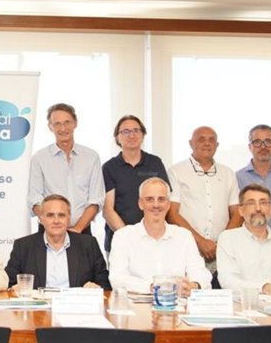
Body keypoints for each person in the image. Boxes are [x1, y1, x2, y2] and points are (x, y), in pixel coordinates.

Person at [109, 178, 209, 294]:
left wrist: (194, 285)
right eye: (149, 199)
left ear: (168, 204)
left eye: (161, 199)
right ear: (140, 204)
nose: (156, 205)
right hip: (137, 303)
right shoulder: (123, 237)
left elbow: (200, 272)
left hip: (176, 302)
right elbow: (117, 279)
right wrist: (153, 287)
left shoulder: (184, 236)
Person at [167, 126, 242, 267]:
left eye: (211, 140)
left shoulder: (228, 173)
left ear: (217, 145)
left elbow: (237, 212)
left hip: (222, 251)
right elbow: (172, 213)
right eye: (201, 139)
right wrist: (200, 241)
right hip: (187, 248)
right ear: (191, 143)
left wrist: (222, 244)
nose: (207, 143)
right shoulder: (176, 171)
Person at [27, 103, 103, 235]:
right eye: (57, 124)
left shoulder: (91, 157)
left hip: (82, 231)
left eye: (67, 122)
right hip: (49, 231)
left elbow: (96, 199)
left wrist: (78, 229)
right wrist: (52, 224)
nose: (63, 128)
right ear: (50, 127)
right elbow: (34, 198)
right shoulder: (39, 158)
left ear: (75, 123)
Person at [5, 194, 109, 290]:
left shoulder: (88, 244)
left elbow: (104, 283)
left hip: (75, 303)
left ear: (69, 218)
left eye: (61, 215)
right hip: (38, 304)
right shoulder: (23, 246)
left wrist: (96, 287)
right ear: (41, 218)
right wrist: (13, 289)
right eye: (50, 215)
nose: (56, 221)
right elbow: (8, 283)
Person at [101, 114, 170, 253]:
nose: (131, 135)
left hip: (155, 240)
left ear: (143, 135)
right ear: (117, 137)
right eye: (125, 131)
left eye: (136, 130)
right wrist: (130, 239)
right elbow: (108, 210)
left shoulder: (155, 163)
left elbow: (164, 200)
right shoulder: (109, 167)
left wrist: (150, 236)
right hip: (120, 241)